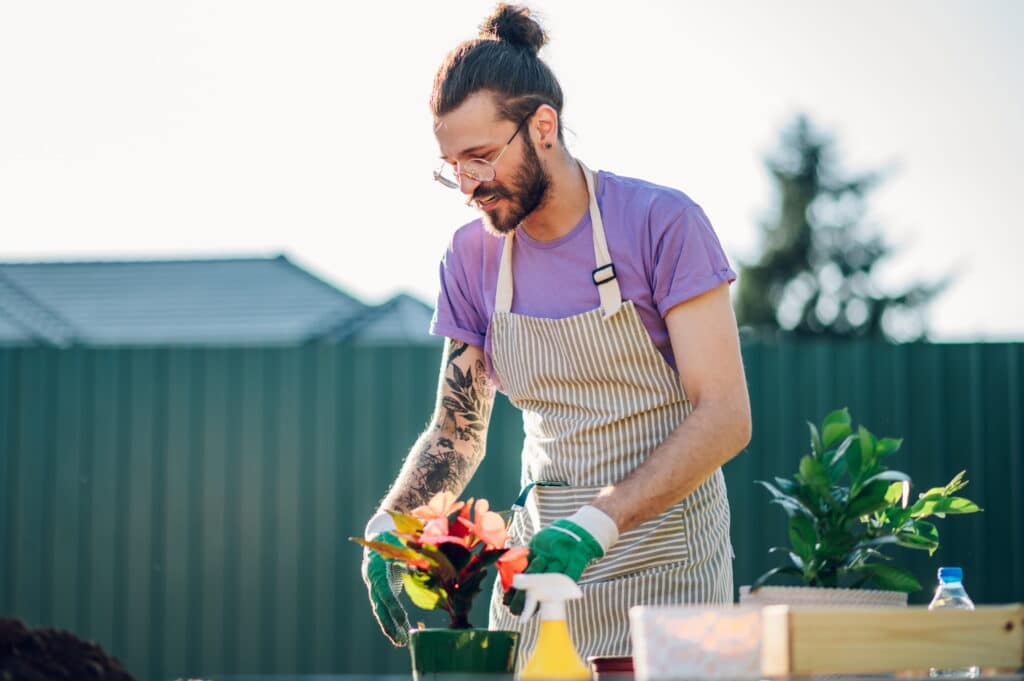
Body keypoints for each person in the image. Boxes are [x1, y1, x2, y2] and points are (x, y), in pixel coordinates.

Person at [362, 2, 752, 661]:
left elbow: (725, 416)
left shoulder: (661, 224)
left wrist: (599, 522)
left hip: (666, 573)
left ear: (542, 126)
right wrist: (390, 524)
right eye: (452, 165)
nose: (468, 186)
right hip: (538, 579)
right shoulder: (471, 257)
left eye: (481, 157)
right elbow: (458, 432)